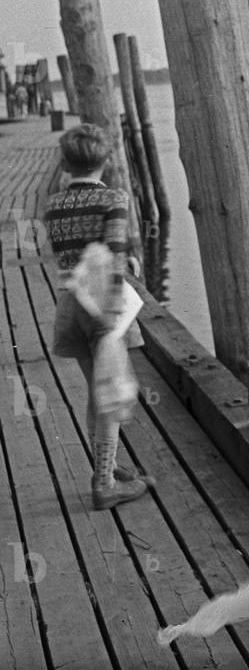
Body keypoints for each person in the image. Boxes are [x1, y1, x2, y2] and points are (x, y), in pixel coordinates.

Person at [45, 123, 153, 510]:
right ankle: (105, 484)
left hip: (69, 305)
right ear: (106, 160)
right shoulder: (114, 198)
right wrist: (112, 310)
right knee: (110, 397)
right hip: (101, 306)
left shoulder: (54, 204)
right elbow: (115, 255)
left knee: (96, 391)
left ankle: (105, 467)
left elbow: (70, 254)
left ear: (64, 163)